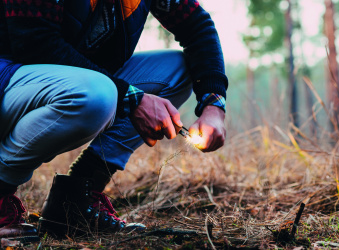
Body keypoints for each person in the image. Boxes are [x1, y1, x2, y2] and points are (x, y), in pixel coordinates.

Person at [0, 0, 227, 241]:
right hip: (11, 75)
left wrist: (214, 104)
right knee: (98, 95)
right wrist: (133, 98)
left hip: (75, 80)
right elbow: (35, 43)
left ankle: (74, 202)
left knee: (178, 70)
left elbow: (197, 26)